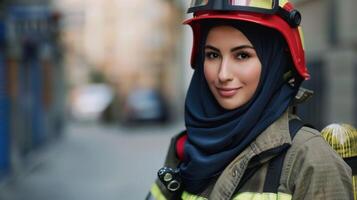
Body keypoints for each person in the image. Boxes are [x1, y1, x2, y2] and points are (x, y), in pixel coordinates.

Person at [147, 0, 353, 199]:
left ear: (275, 62)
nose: (222, 74)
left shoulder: (309, 159)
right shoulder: (185, 148)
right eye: (212, 55)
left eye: (242, 55)